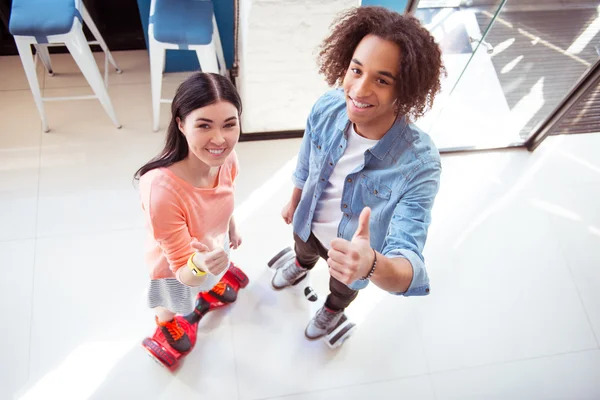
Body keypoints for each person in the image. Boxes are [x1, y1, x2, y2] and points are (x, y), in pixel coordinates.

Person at [273, 6, 445, 340]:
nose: (359, 90)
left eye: (382, 80)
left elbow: (410, 261)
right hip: (307, 223)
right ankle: (301, 266)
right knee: (303, 250)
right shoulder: (328, 105)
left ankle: (332, 311)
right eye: (356, 70)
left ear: (405, 89)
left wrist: (370, 265)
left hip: (353, 258)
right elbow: (306, 160)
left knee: (342, 289)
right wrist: (295, 200)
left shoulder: (420, 165)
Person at [134, 72, 243, 353]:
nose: (219, 139)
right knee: (173, 300)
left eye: (229, 125)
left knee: (212, 274)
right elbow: (183, 271)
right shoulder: (162, 191)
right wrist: (202, 267)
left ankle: (209, 284)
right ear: (181, 124)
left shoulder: (227, 158)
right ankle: (164, 322)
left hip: (212, 248)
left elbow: (227, 195)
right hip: (177, 268)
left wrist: (231, 227)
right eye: (204, 126)